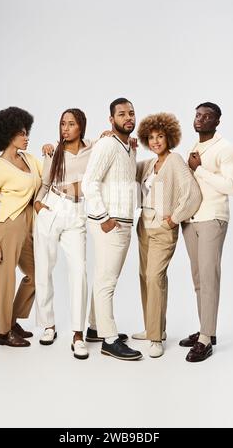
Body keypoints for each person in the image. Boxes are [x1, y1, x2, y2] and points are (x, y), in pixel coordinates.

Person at [131, 113, 202, 358]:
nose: (155, 141)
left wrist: (175, 217)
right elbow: (129, 171)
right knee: (144, 275)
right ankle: (154, 329)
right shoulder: (149, 165)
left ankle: (155, 337)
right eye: (150, 138)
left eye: (160, 136)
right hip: (144, 224)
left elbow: (192, 193)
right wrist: (128, 148)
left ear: (169, 137)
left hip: (163, 228)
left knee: (155, 276)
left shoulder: (174, 161)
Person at [180, 102, 233, 362]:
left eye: (207, 116)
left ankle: (206, 340)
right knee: (198, 279)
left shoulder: (226, 149)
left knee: (209, 278)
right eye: (197, 115)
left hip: (212, 219)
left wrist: (200, 169)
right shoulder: (194, 148)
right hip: (191, 220)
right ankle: (207, 331)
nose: (200, 119)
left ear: (217, 122)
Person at [82, 97, 142, 361]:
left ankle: (95, 329)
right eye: (121, 114)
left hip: (123, 221)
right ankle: (109, 340)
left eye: (131, 113)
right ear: (111, 119)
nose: (128, 117)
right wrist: (104, 217)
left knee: (102, 277)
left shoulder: (129, 146)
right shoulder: (107, 144)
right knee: (107, 282)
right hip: (110, 223)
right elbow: (89, 182)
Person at [34, 108, 94, 359]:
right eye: (62, 124)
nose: (65, 128)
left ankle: (78, 334)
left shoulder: (94, 148)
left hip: (76, 213)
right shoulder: (54, 152)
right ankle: (48, 325)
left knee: (78, 271)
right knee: (44, 268)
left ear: (81, 126)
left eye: (71, 124)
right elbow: (46, 183)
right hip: (51, 207)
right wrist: (38, 204)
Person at [0, 107, 42, 347]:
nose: (27, 136)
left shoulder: (29, 158)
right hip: (8, 225)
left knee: (36, 274)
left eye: (27, 131)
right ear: (8, 135)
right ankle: (2, 333)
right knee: (5, 278)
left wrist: (52, 150)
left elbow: (48, 173)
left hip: (29, 223)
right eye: (21, 133)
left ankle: (12, 319)